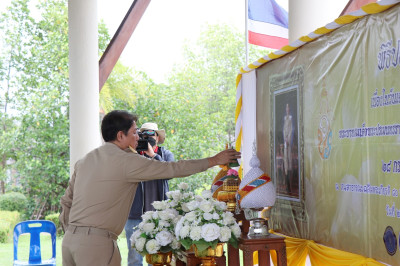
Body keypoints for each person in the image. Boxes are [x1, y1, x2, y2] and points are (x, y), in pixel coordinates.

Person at [59, 110, 240, 266]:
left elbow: (66, 201)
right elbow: (172, 169)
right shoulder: (127, 161)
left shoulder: (84, 161)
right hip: (96, 246)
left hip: (69, 242)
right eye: (135, 133)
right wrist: (214, 160)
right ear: (121, 136)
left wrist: (74, 232)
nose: (138, 137)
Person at [124, 122, 174, 266]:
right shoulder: (132, 155)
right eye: (142, 134)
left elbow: (169, 172)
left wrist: (153, 155)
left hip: (159, 217)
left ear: (157, 137)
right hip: (134, 215)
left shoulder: (165, 154)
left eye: (151, 133)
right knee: (134, 258)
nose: (146, 137)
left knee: (158, 257)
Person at [283, 103, 294, 193]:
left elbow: (291, 129)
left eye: (288, 107)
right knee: (285, 160)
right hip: (285, 141)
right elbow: (284, 129)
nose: (287, 109)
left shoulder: (290, 118)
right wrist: (285, 138)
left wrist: (288, 139)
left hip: (289, 142)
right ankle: (286, 183)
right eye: (286, 108)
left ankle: (290, 183)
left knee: (289, 160)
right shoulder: (285, 118)